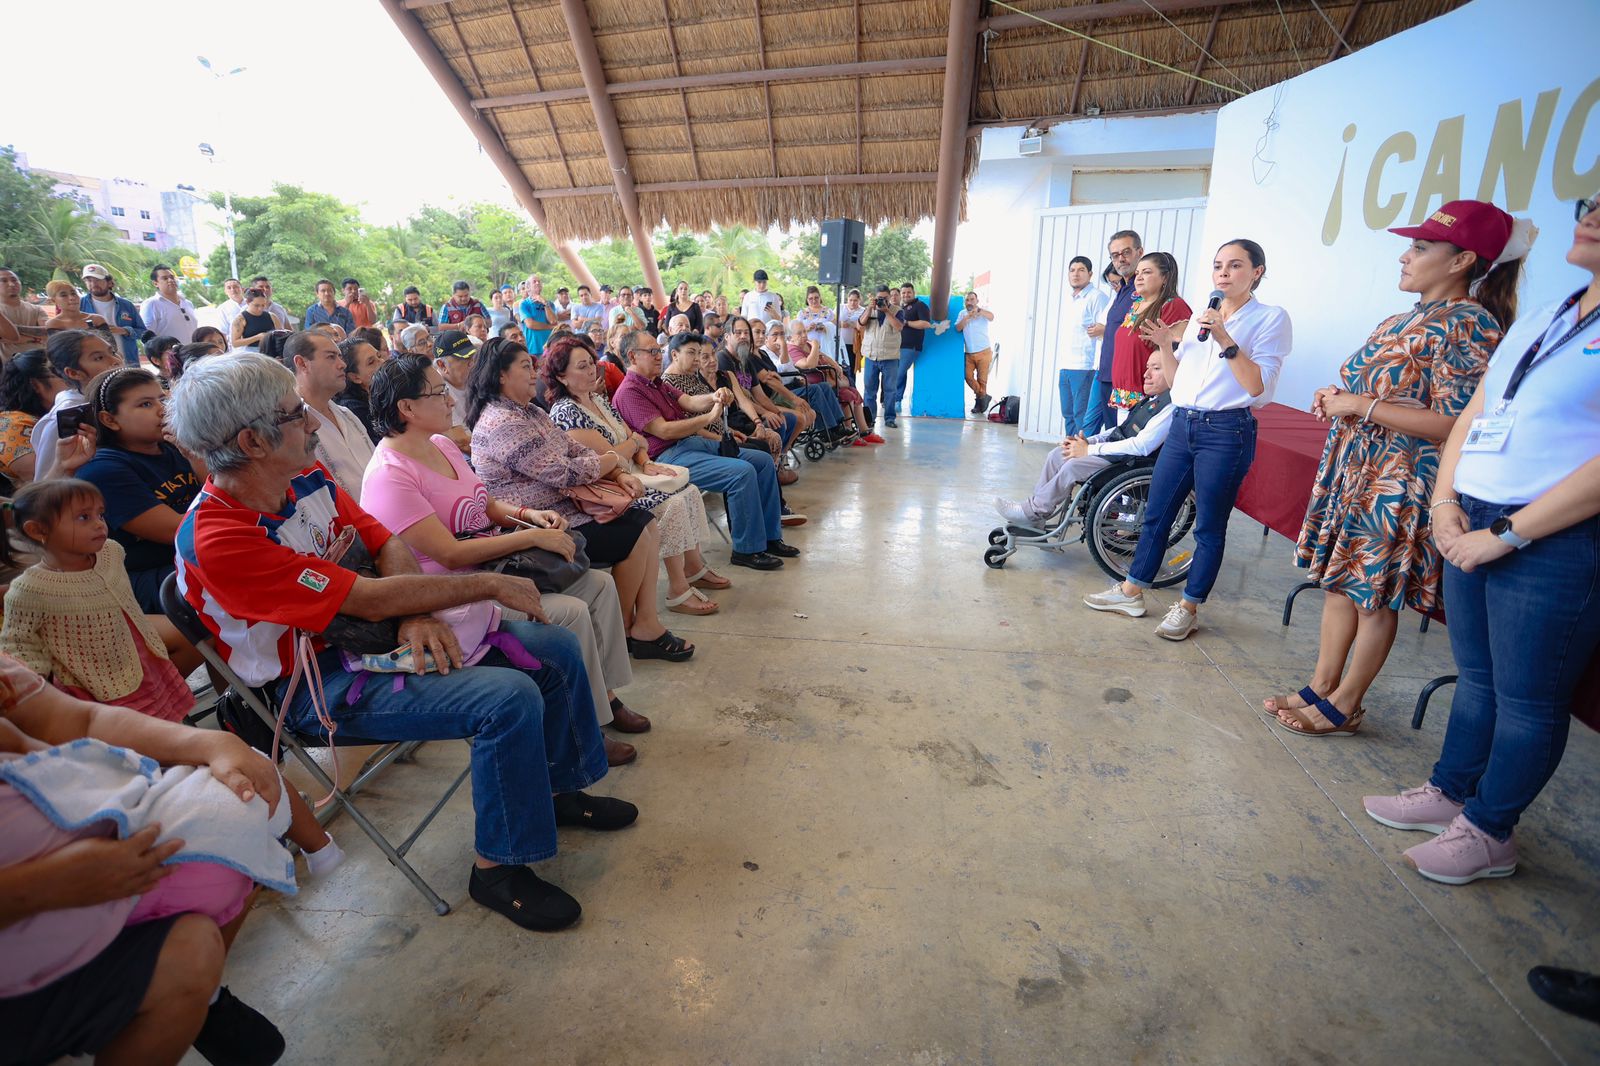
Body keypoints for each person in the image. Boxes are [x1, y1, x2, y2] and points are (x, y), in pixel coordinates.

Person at [168, 352, 636, 930]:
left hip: (372, 639)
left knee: (555, 648)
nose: (315, 423)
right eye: (297, 414)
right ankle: (499, 869)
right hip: (317, 686)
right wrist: (481, 585)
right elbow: (357, 600)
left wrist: (414, 615)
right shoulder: (220, 537)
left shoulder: (305, 478)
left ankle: (562, 789)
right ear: (253, 442)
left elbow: (382, 538)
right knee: (507, 699)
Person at [1360, 192, 1600, 885]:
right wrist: (1444, 505)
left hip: (1551, 537)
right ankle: (1450, 792)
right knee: (1481, 679)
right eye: (1591, 200)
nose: (1590, 214)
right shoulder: (1552, 315)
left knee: (1528, 699)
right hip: (1470, 516)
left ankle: (1492, 831)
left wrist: (1507, 536)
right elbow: (1474, 413)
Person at [1267, 200, 1523, 737]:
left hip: (1400, 481)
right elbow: (1378, 390)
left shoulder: (1470, 324)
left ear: (1461, 261)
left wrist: (1360, 407)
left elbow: (1458, 420)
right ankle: (1322, 686)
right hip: (1359, 470)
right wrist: (1339, 397)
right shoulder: (1404, 317)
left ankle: (1347, 702)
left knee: (1373, 595)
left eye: (1421, 247)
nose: (1405, 257)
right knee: (1340, 585)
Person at [0, 654, 290, 1066]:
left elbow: (77, 723)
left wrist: (212, 743)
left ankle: (200, 998)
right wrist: (42, 887)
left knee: (236, 817)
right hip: (37, 914)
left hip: (86, 877)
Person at [361, 355, 652, 761]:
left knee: (599, 585)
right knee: (569, 611)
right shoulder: (390, 475)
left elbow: (485, 504)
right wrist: (527, 537)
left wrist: (526, 516)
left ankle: (603, 699)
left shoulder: (441, 444)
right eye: (438, 392)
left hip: (492, 568)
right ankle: (582, 730)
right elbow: (449, 551)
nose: (450, 400)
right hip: (457, 595)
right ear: (406, 408)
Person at [1083, 238, 1291, 641]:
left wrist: (1226, 339)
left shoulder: (1270, 318)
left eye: (1234, 266)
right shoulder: (1200, 316)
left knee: (1209, 526)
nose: (1223, 274)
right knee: (1158, 511)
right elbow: (1180, 387)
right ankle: (1132, 591)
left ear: (1256, 272)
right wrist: (1165, 346)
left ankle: (1189, 606)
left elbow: (1258, 389)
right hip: (1183, 424)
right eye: (1218, 266)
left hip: (1226, 431)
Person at [465, 337, 693, 662]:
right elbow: (565, 472)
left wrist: (618, 473)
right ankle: (628, 628)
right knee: (637, 530)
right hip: (541, 525)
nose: (535, 374)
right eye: (526, 367)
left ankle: (641, 624)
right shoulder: (503, 422)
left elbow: (577, 451)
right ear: (501, 375)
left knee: (645, 523)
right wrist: (615, 460)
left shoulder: (529, 411)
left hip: (569, 508)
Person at [612, 330, 794, 570]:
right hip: (668, 455)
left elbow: (689, 402)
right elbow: (665, 431)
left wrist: (715, 395)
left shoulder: (657, 383)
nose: (659, 356)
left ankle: (770, 537)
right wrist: (710, 415)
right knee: (742, 472)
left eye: (659, 350)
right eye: (653, 352)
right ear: (632, 356)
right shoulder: (629, 392)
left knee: (761, 460)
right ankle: (747, 550)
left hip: (691, 444)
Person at [73, 367, 204, 613]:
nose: (163, 409)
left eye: (162, 399)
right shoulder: (103, 469)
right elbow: (181, 534)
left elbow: (229, 501)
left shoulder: (172, 446)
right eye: (145, 404)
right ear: (109, 420)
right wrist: (195, 454)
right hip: (145, 576)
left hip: (193, 555)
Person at [996, 349, 1173, 528]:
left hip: (1131, 463)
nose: (1146, 374)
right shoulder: (1151, 400)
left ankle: (1033, 511)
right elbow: (1120, 429)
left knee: (1073, 467)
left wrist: (1089, 450)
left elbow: (1141, 446)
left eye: (1156, 368)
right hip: (1118, 453)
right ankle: (1037, 516)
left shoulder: (1170, 407)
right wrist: (1089, 441)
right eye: (1147, 367)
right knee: (1058, 454)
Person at [274, 331, 375, 501]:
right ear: (302, 363)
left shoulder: (347, 415)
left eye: (340, 357)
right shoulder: (290, 428)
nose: (342, 364)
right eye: (331, 357)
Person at [31, 330, 121, 482]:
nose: (116, 360)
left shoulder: (115, 399)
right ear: (73, 373)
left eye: (112, 352)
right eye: (99, 358)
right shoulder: (66, 418)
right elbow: (44, 486)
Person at [1110, 252, 1191, 413]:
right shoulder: (1136, 304)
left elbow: (1178, 354)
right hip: (1124, 395)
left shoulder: (1174, 306)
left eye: (1146, 272)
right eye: (1138, 273)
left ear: (1165, 278)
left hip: (1150, 399)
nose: (1139, 277)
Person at [1090, 230, 1144, 433]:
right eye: (1115, 255)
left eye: (1126, 252)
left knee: (1123, 438)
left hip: (1126, 381)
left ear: (1140, 252)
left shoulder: (1144, 290)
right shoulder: (1122, 289)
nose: (1120, 259)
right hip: (1107, 375)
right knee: (1111, 433)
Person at [0, 350, 66, 487]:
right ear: (36, 385)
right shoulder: (12, 426)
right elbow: (40, 480)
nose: (72, 380)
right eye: (61, 375)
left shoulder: (52, 414)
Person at [1059, 256, 1109, 435]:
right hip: (1066, 366)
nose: (1076, 274)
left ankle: (1080, 458)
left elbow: (1105, 331)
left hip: (1084, 367)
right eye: (1072, 270)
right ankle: (1069, 453)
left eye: (1081, 270)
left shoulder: (1097, 297)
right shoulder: (1071, 299)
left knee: (1081, 416)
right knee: (1068, 414)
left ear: (1090, 274)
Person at [79, 264, 144, 366]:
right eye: (89, 280)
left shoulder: (126, 305)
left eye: (97, 280)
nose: (93, 284)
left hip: (128, 362)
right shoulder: (79, 305)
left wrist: (125, 330)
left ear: (109, 282)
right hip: (96, 365)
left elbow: (143, 332)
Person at [859, 285, 903, 427]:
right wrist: (869, 309)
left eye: (884, 298)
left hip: (890, 357)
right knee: (869, 390)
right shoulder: (869, 310)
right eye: (879, 298)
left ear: (889, 297)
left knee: (890, 390)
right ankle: (869, 419)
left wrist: (887, 311)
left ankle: (890, 419)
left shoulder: (897, 311)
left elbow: (899, 327)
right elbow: (860, 325)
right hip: (871, 357)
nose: (882, 301)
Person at [892, 283, 935, 416]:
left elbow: (926, 324)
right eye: (903, 293)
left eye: (908, 292)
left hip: (911, 347)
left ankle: (894, 399)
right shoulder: (901, 307)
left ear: (913, 293)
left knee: (898, 373)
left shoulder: (920, 306)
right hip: (897, 346)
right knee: (901, 373)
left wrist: (907, 323)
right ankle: (897, 401)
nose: (906, 295)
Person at [432, 329, 476, 452]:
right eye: (464, 359)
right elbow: (462, 442)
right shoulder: (436, 392)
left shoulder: (474, 379)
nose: (472, 364)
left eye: (472, 357)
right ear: (442, 365)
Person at [336, 334, 384, 444]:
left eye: (379, 356)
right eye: (371, 362)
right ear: (355, 377)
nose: (381, 362)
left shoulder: (378, 394)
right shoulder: (354, 409)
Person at [955, 290, 996, 415]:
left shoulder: (983, 312)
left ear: (977, 301)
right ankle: (984, 396)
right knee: (967, 377)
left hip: (984, 351)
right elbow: (957, 328)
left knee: (982, 380)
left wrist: (979, 311)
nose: (969, 302)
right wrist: (968, 317)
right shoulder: (962, 314)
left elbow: (992, 317)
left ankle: (978, 404)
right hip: (969, 353)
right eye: (967, 300)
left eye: (972, 299)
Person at [0, 267, 49, 359]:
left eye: (14, 280)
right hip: (7, 366)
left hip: (40, 363)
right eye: (3, 281)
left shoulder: (36, 309)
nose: (11, 284)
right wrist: (35, 338)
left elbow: (48, 331)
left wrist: (15, 328)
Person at [139, 265, 196, 344]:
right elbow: (146, 337)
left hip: (193, 353)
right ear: (155, 283)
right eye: (165, 278)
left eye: (172, 277)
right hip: (171, 355)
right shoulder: (151, 304)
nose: (170, 280)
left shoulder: (188, 303)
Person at [518, 275, 557, 356]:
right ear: (528, 288)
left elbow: (553, 321)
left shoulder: (549, 304)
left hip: (550, 346)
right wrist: (550, 327)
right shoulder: (524, 304)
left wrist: (545, 304)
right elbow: (530, 324)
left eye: (539, 281)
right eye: (534, 281)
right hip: (533, 348)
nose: (538, 283)